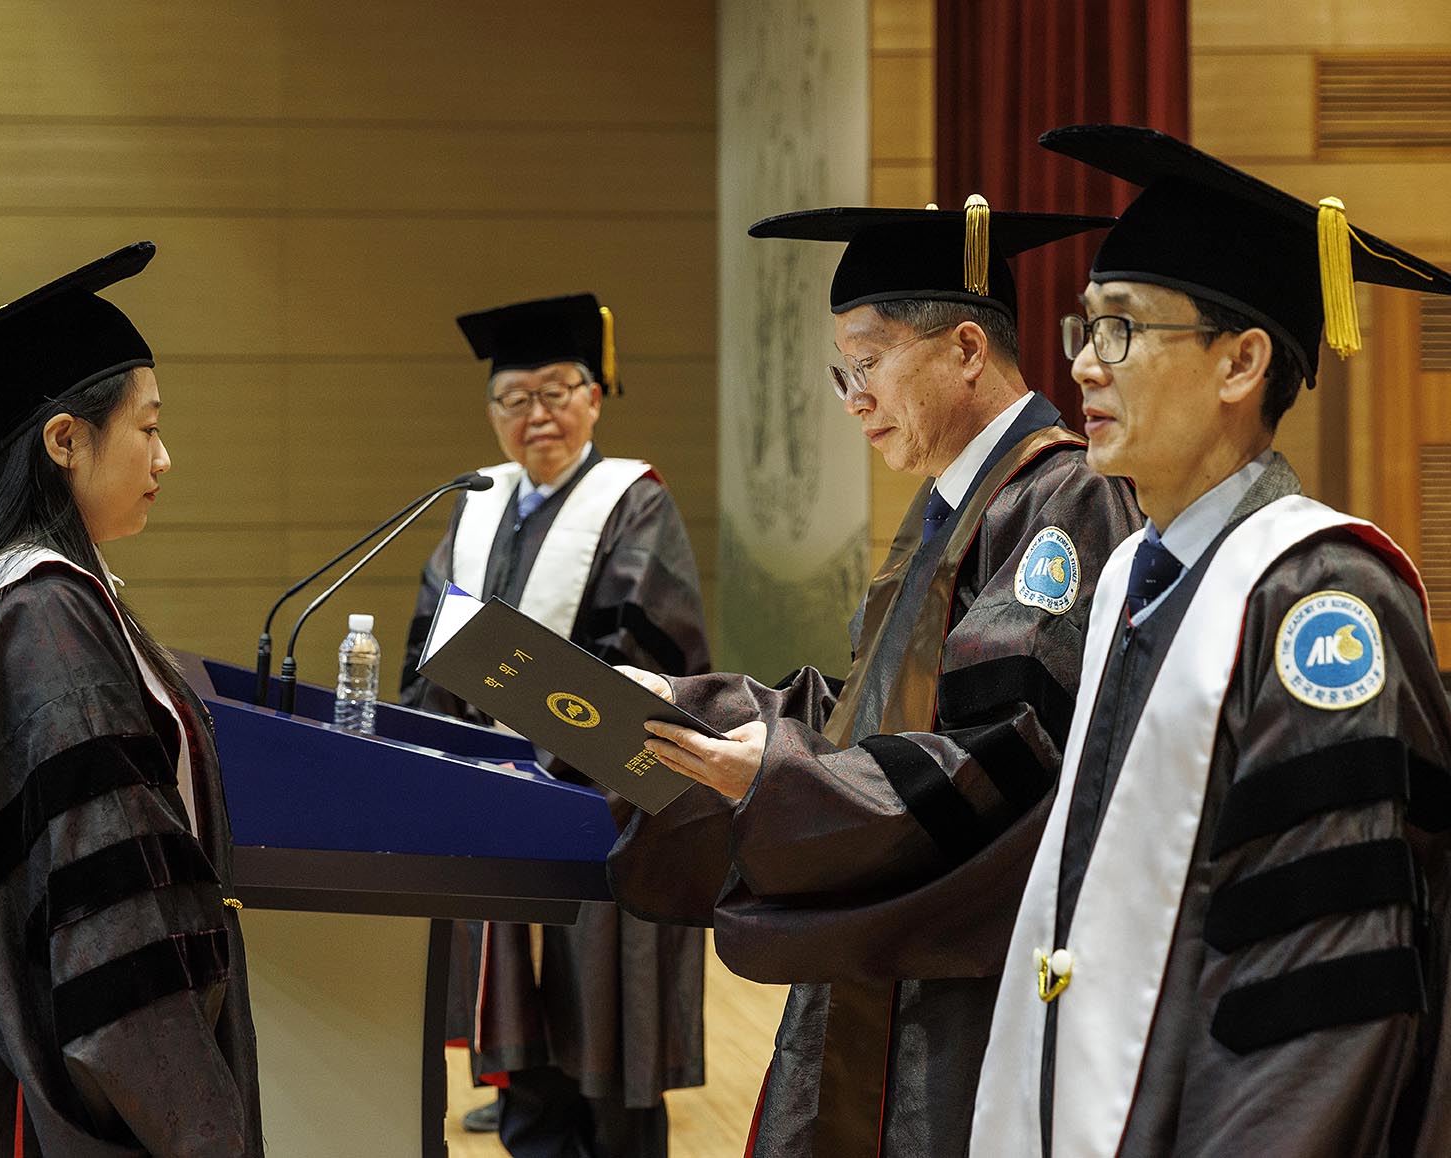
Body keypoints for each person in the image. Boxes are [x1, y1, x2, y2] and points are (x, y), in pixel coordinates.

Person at [608, 201, 1143, 1157]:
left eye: (867, 363)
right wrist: (687, 711)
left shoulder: (1065, 496)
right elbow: (870, 713)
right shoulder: (952, 505)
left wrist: (785, 778)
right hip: (889, 953)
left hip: (960, 970)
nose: (852, 398)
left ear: (966, 349)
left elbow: (1010, 745)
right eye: (842, 373)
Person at [969, 125, 1451, 1157]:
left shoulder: (1322, 600)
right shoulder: (1130, 581)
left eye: (1120, 330)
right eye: (1084, 327)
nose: (1082, 365)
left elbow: (1320, 984)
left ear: (1240, 362)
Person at [0, 243, 262, 1156]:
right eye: (147, 428)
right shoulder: (46, 620)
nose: (165, 457)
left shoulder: (20, 598)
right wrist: (199, 1123)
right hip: (88, 1109)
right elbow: (114, 929)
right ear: (65, 439)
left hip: (35, 1062)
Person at [400, 293, 711, 1158]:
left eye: (554, 392)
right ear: (492, 412)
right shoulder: (477, 503)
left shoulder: (633, 504)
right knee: (525, 1050)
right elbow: (431, 644)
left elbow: (646, 654)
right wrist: (444, 750)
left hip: (598, 805)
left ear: (594, 397)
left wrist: (534, 750)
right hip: (497, 801)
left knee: (602, 1038)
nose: (535, 414)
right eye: (514, 398)